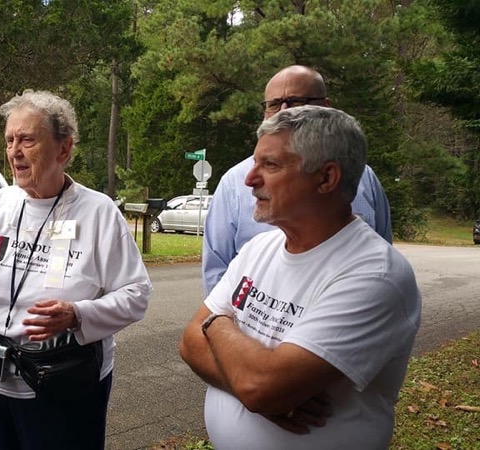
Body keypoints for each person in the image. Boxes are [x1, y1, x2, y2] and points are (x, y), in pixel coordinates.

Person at [0, 90, 152, 450]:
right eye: (10, 140)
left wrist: (78, 315)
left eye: (27, 139)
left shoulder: (99, 213)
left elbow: (136, 294)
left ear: (64, 150)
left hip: (66, 384)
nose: (14, 150)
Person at [179, 105, 421, 449]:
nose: (249, 179)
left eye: (271, 165)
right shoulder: (260, 248)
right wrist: (253, 391)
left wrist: (215, 323)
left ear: (326, 178)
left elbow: (260, 387)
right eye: (255, 163)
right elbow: (189, 344)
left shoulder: (375, 276)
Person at [202, 65, 392, 296]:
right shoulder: (234, 183)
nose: (282, 112)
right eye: (273, 104)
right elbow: (217, 272)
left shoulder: (363, 178)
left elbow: (382, 253)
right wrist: (222, 322)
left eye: (294, 101)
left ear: (325, 107)